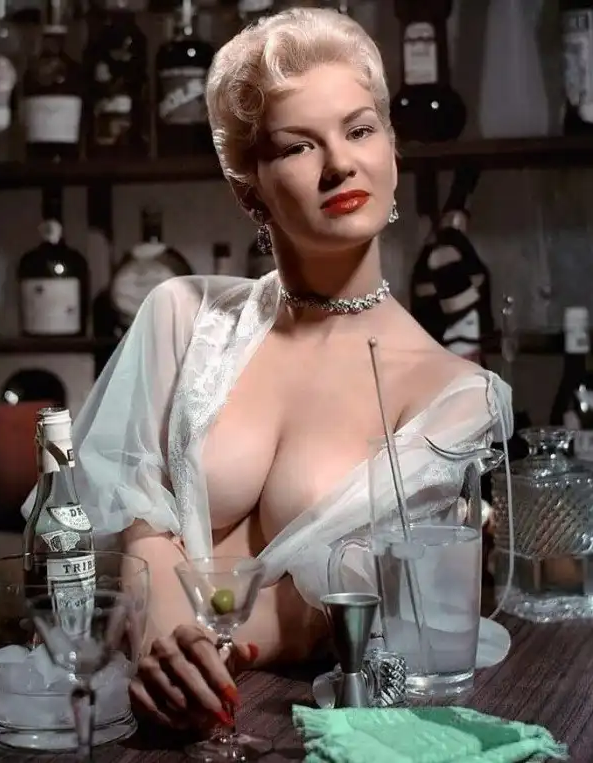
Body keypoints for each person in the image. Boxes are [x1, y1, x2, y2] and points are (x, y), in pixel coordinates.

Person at [26, 7, 513, 732]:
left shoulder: (455, 395)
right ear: (248, 186)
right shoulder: (182, 316)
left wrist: (200, 654)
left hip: (288, 722)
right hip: (119, 701)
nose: (339, 163)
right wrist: (163, 642)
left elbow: (336, 611)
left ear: (391, 149)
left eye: (359, 130)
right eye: (297, 146)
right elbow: (127, 521)